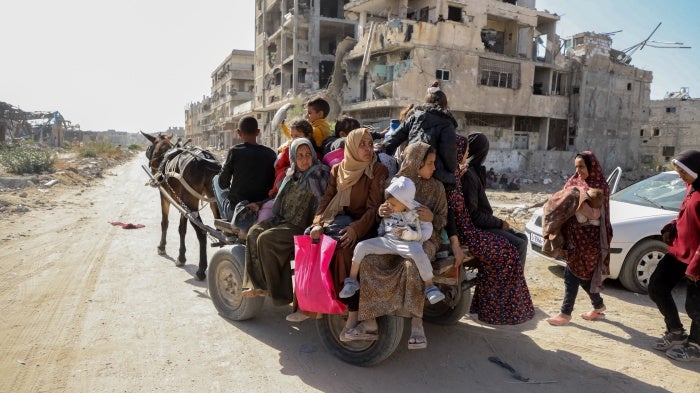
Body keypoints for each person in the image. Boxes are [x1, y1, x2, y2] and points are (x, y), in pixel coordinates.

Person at [286, 128, 388, 323]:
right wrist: (318, 224)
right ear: (351, 147)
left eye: (369, 144)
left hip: (364, 226)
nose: (368, 149)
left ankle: (344, 305)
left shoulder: (377, 170)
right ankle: (306, 304)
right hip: (337, 222)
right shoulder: (338, 170)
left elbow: (373, 209)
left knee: (342, 249)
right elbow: (326, 201)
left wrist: (355, 229)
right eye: (362, 145)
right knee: (310, 241)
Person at [356, 142, 448, 349]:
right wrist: (382, 211)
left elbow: (443, 219)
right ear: (416, 164)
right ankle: (370, 320)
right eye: (430, 164)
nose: (434, 168)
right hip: (393, 236)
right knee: (370, 261)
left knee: (412, 264)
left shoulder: (437, 188)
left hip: (424, 238)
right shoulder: (394, 183)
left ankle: (417, 322)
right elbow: (385, 213)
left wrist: (433, 217)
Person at [445, 134, 534, 325]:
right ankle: (506, 297)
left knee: (519, 241)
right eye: (465, 150)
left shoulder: (465, 173)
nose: (467, 154)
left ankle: (512, 293)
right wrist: (498, 223)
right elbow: (470, 215)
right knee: (515, 245)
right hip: (474, 229)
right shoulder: (466, 175)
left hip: (474, 227)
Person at [241, 138, 329, 305]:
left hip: (301, 225)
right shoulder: (291, 174)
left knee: (266, 239)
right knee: (254, 233)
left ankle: (281, 295)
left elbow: (325, 201)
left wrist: (318, 224)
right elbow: (276, 196)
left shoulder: (320, 175)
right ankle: (259, 285)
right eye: (300, 155)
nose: (304, 159)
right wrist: (260, 204)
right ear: (294, 158)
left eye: (308, 155)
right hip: (282, 219)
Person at [339, 176, 445, 304]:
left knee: (419, 254)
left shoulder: (418, 210)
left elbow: (427, 231)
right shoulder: (389, 207)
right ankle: (352, 281)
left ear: (405, 202)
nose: (389, 205)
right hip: (387, 241)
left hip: (408, 244)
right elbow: (383, 225)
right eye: (388, 202)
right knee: (361, 247)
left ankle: (430, 286)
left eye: (393, 204)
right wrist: (381, 217)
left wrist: (411, 235)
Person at [546, 151, 613, 326]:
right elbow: (563, 199)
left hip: (589, 242)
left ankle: (565, 313)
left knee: (572, 275)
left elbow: (601, 217)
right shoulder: (574, 181)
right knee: (583, 277)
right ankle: (598, 307)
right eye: (576, 166)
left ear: (591, 166)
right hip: (573, 239)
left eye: (582, 166)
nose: (579, 170)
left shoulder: (600, 187)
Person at [648, 149, 700, 362]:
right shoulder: (691, 187)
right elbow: (686, 215)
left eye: (683, 172)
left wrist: (696, 266)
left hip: (697, 259)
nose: (680, 177)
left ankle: (696, 346)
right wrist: (673, 226)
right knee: (656, 286)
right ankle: (676, 331)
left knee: (695, 306)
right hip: (680, 251)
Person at [459, 132, 528, 266]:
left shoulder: (476, 172)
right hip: (476, 228)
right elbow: (473, 215)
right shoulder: (469, 175)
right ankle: (514, 284)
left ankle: (515, 282)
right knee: (519, 244)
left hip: (484, 223)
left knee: (522, 237)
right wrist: (499, 223)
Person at [382, 81, 457, 186]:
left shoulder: (414, 117)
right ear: (445, 105)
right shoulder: (446, 123)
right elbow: (448, 153)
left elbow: (394, 138)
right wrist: (452, 172)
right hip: (434, 172)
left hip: (410, 168)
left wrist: (381, 150)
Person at [213, 116, 276, 221]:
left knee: (216, 179)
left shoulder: (234, 151)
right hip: (261, 208)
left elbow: (223, 184)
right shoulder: (270, 153)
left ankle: (223, 217)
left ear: (239, 133)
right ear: (258, 132)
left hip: (237, 213)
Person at [269, 118, 314, 197]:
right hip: (285, 190)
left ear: (308, 136)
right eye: (292, 136)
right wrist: (287, 171)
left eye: (297, 136)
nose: (293, 140)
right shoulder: (287, 151)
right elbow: (278, 169)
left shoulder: (314, 153)